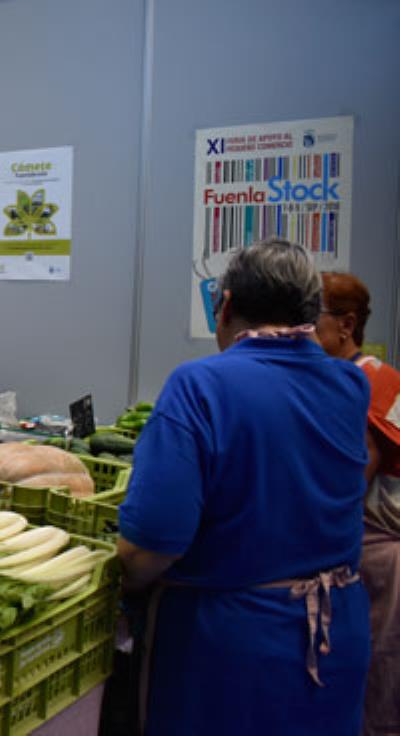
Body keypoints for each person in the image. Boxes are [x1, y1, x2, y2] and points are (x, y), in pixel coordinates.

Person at [117, 239, 371, 735]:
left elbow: (150, 545)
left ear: (225, 306)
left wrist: (123, 580)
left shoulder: (199, 386)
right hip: (336, 634)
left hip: (232, 649)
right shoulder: (350, 384)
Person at [316, 271, 400, 736]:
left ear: (346, 325)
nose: (304, 329)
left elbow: (355, 476)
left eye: (314, 318)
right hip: (359, 545)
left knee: (379, 668)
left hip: (381, 552)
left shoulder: (373, 381)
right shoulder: (342, 376)